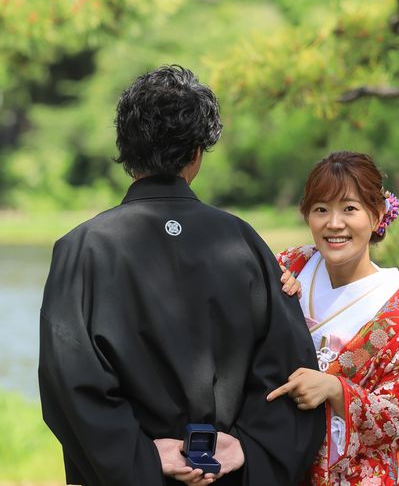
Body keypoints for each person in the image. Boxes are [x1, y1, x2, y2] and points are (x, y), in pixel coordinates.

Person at [38, 65, 325, 486]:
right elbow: (289, 372)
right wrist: (247, 447)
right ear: (197, 154)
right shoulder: (242, 242)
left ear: (126, 149)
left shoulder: (82, 248)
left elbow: (69, 379)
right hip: (226, 471)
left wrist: (139, 455)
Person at [268, 151, 399, 485]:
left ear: (377, 215)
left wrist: (336, 389)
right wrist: (272, 299)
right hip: (271, 457)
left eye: (349, 209)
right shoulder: (289, 266)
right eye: (321, 209)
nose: (334, 223)